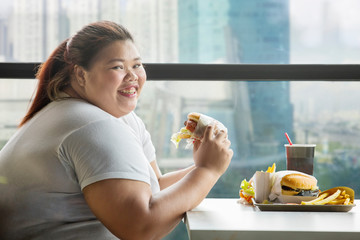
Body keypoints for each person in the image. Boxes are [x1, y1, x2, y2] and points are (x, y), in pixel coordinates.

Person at [0, 21, 233, 240]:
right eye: (117, 67)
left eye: (137, 65)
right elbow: (140, 227)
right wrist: (208, 170)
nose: (132, 76)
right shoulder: (91, 125)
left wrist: (207, 163)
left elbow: (152, 188)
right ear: (80, 74)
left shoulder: (108, 116)